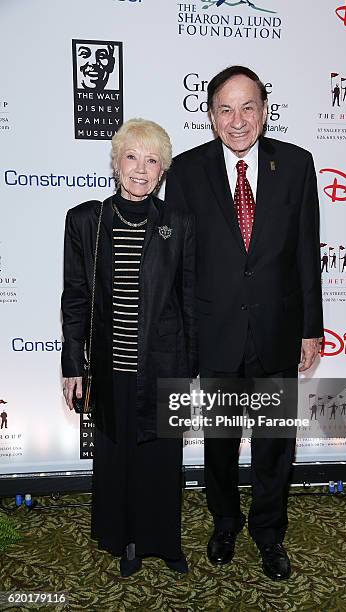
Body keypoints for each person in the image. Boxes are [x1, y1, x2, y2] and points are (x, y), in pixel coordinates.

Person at [165, 66, 323, 581]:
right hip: (215, 334)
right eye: (226, 109)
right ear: (210, 116)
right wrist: (184, 338)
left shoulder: (297, 166)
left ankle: (270, 534)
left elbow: (306, 254)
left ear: (264, 110)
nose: (238, 121)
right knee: (220, 441)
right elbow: (179, 266)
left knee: (275, 444)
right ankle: (225, 523)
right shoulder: (186, 173)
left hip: (278, 330)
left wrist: (311, 328)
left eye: (248, 107)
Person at [61, 118, 196, 577]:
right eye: (132, 157)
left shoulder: (177, 223)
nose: (141, 168)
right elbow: (76, 295)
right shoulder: (86, 221)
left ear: (163, 171)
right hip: (111, 366)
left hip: (164, 365)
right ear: (115, 163)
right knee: (121, 459)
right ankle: (129, 541)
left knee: (163, 460)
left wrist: (191, 370)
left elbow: (189, 299)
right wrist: (72, 364)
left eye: (152, 159)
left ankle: (166, 543)